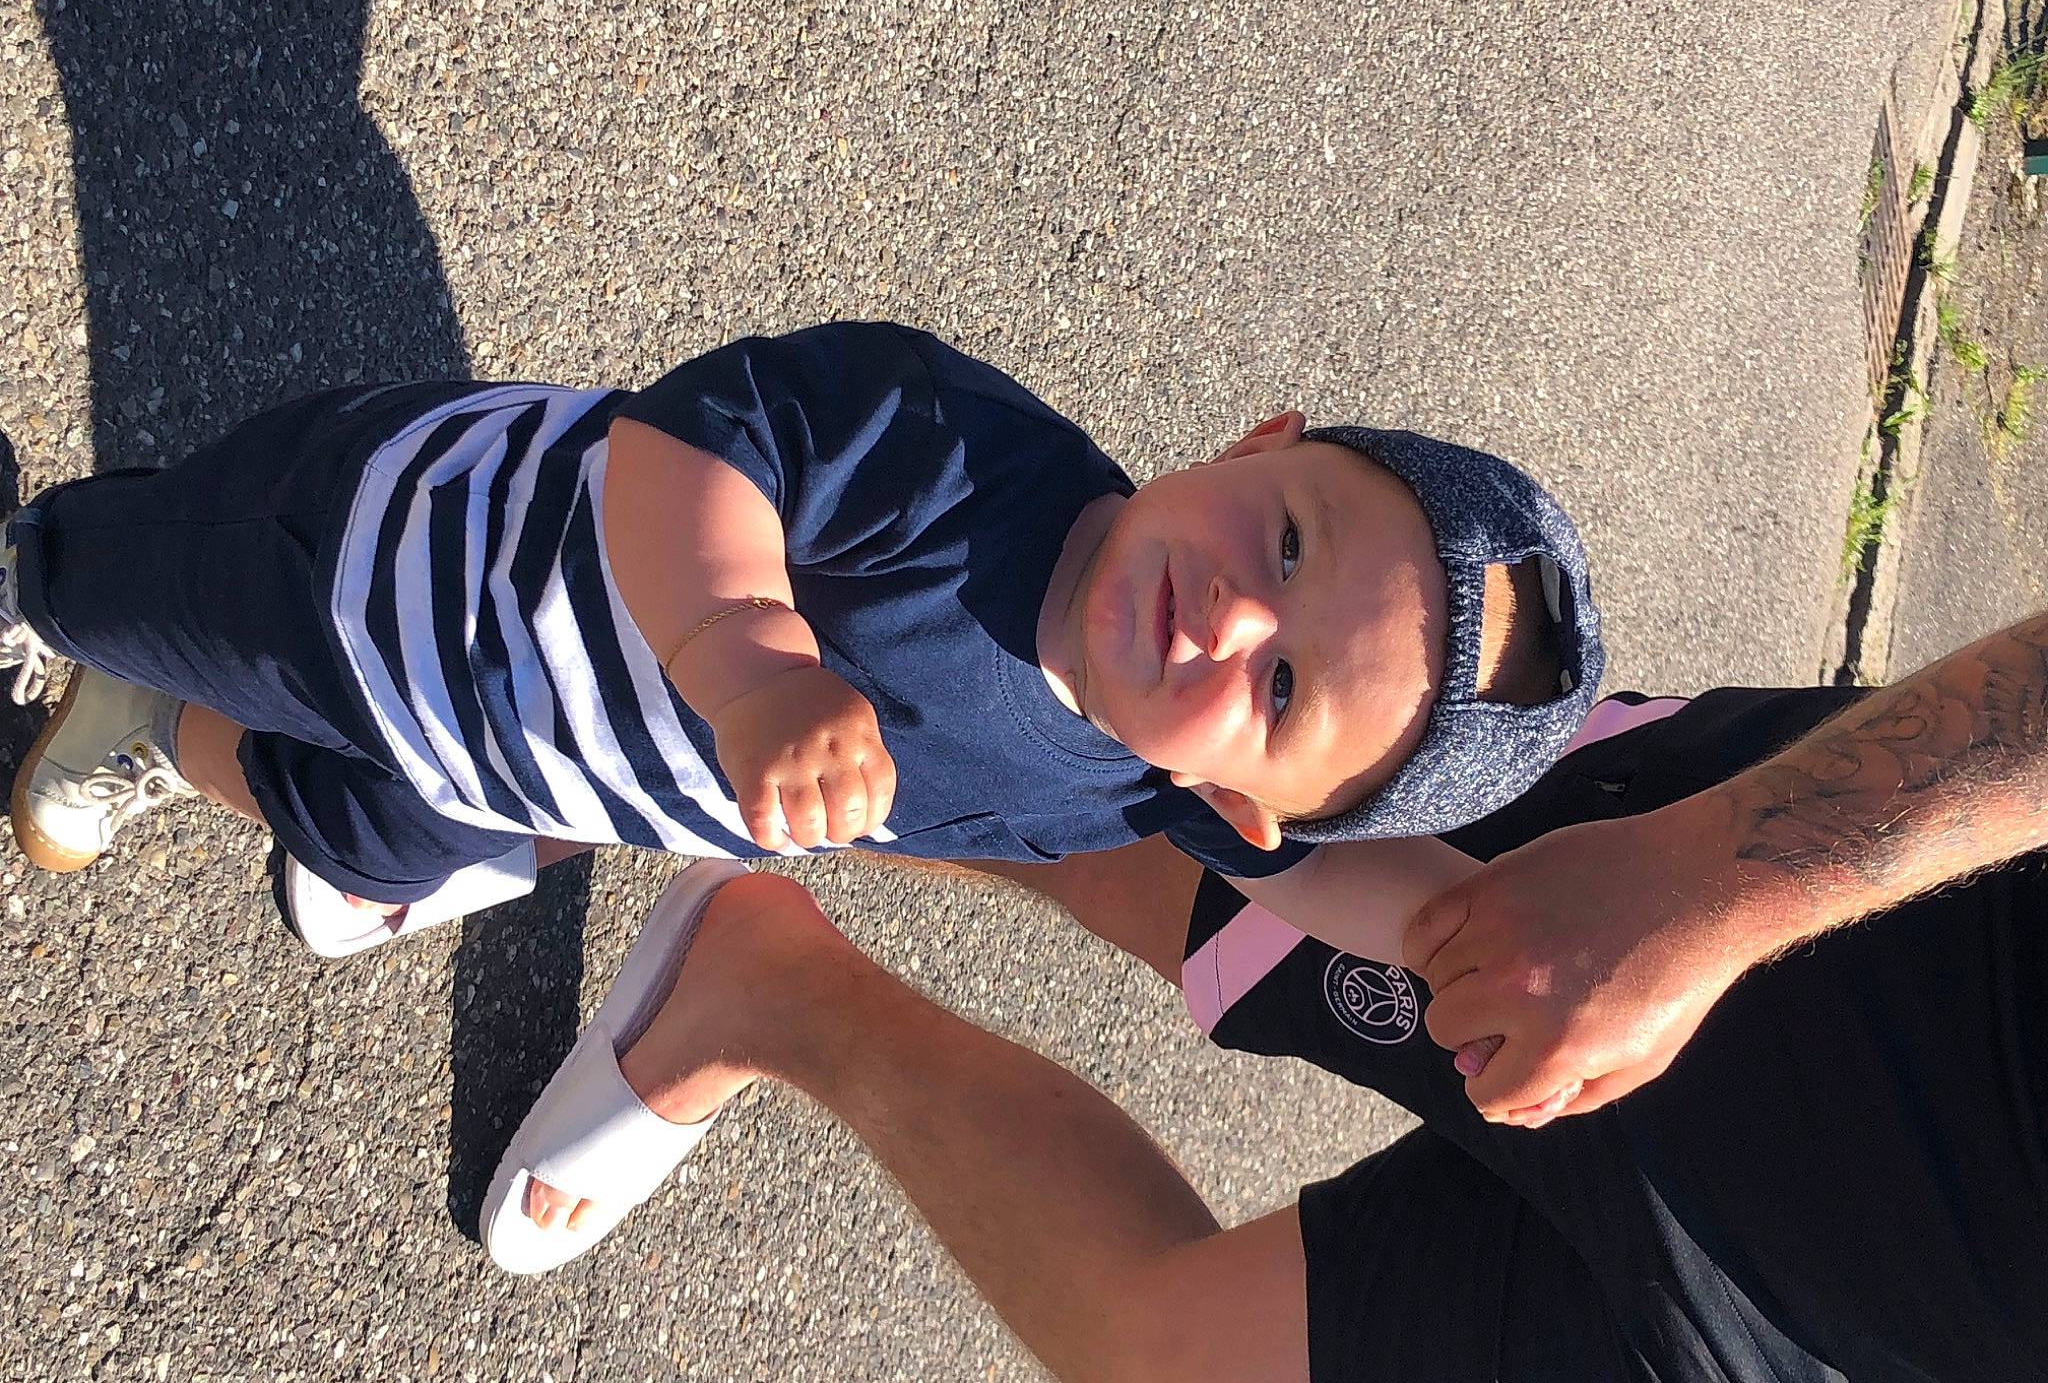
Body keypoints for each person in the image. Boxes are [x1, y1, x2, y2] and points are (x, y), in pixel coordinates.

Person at [496, 607, 2048, 1383]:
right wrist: (1727, 874)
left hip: (1912, 1374)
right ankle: (603, 681)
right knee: (1193, 842)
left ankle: (764, 986)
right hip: (1896, 999)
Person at [0, 321, 1600, 958]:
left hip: (519, 762)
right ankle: (51, 589)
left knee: (355, 838)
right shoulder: (959, 451)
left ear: (1245, 809)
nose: (1238, 615)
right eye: (1292, 539)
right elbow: (679, 446)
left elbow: (1353, 891)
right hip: (381, 563)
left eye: (1282, 686)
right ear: (1261, 441)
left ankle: (147, 720)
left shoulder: (1137, 795)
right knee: (139, 573)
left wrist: (1541, 955)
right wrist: (753, 659)